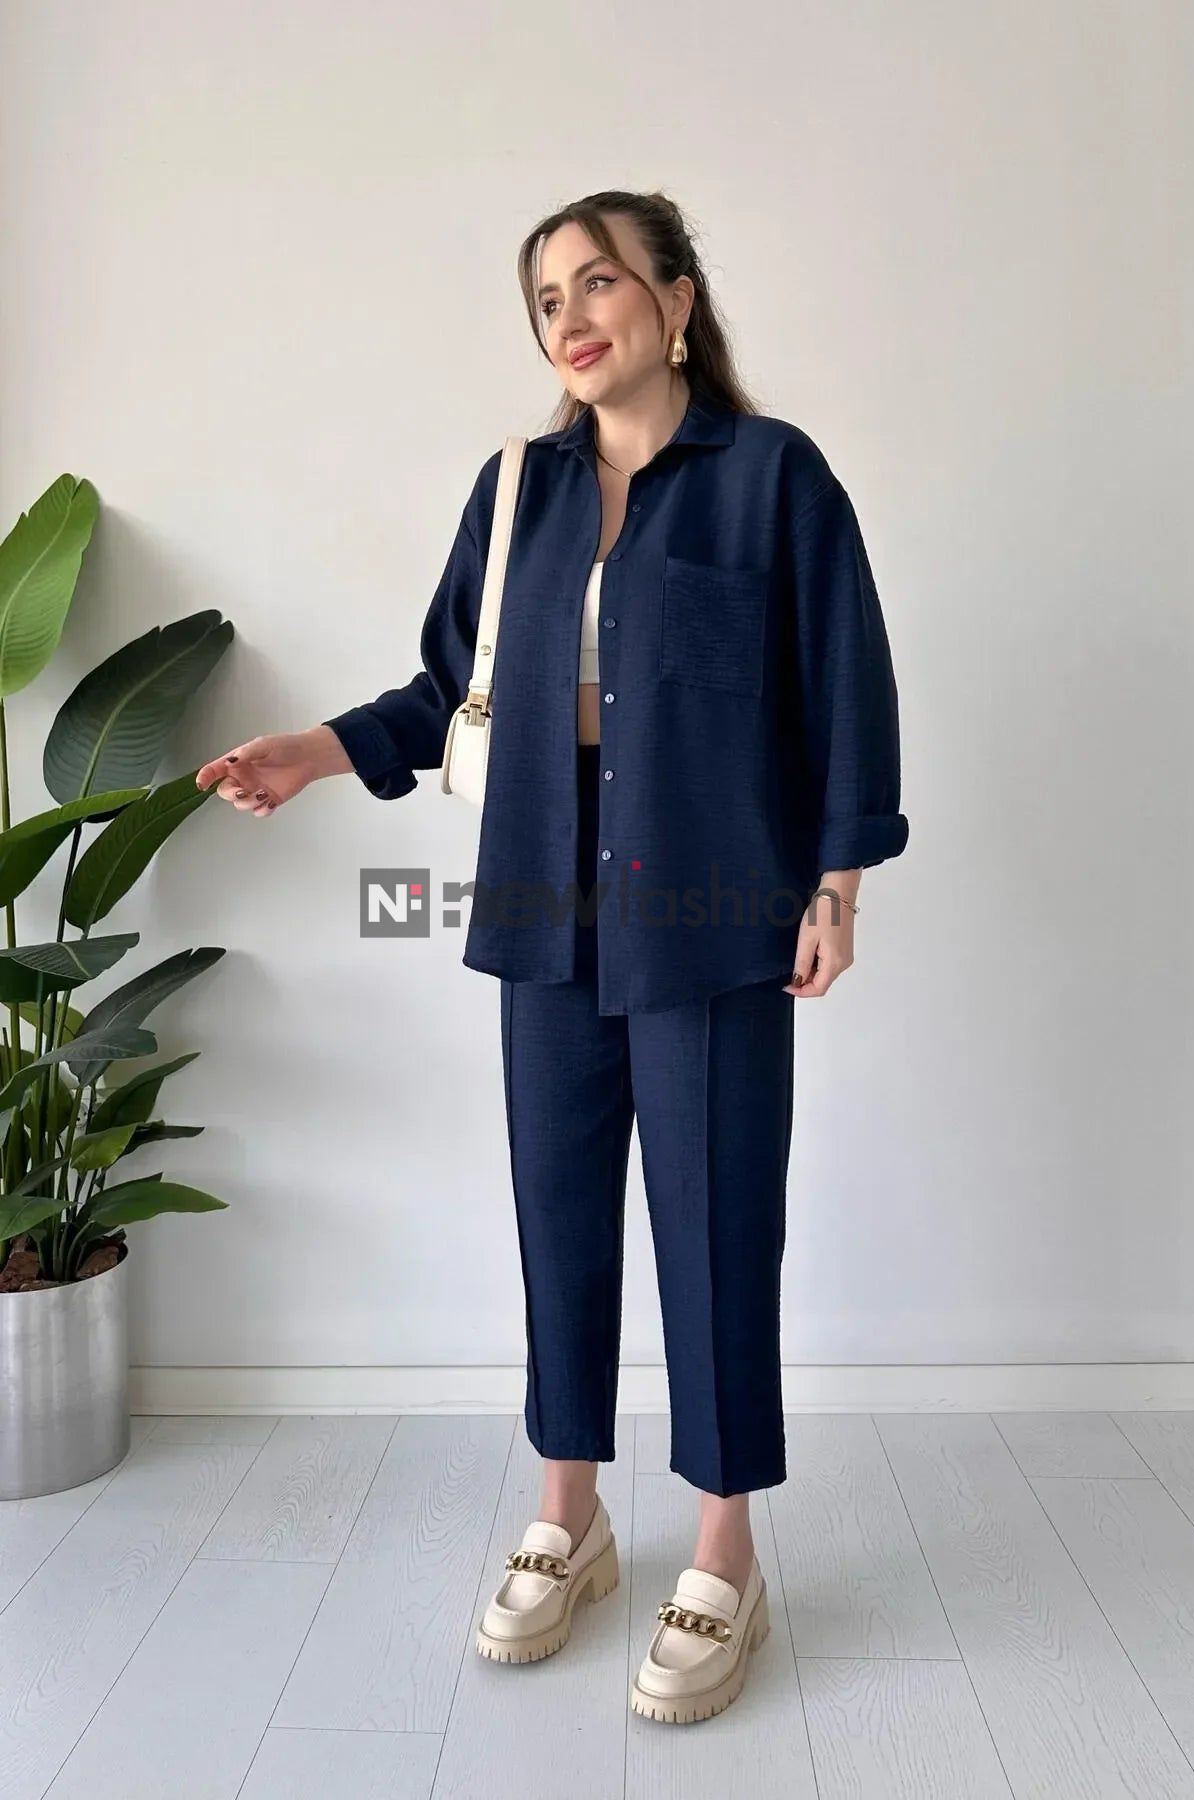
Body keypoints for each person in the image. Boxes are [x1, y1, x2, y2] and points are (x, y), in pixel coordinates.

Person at [196, 188, 910, 1726]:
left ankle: (723, 1548)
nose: (569, 318)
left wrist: (837, 884)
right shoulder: (516, 487)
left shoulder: (773, 479)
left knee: (717, 1225)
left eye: (598, 282)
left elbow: (847, 687)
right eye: (544, 298)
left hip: (716, 900)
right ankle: (568, 1514)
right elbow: (445, 686)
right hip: (543, 899)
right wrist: (310, 755)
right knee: (560, 1214)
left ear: (676, 299)